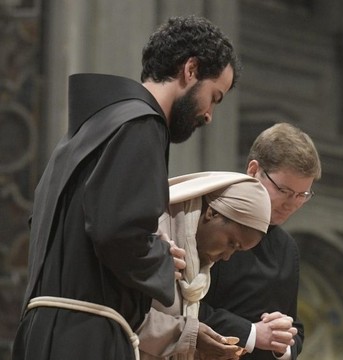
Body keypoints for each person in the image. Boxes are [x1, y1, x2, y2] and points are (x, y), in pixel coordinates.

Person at [12, 15, 241, 360]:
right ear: (190, 70)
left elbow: (92, 227)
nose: (209, 114)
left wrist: (149, 243)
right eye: (215, 96)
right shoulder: (140, 126)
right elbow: (116, 233)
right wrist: (163, 258)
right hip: (86, 339)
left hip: (46, 332)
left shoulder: (94, 126)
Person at [199, 123, 322, 360]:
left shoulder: (286, 248)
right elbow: (185, 310)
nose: (292, 204)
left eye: (302, 195)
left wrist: (283, 341)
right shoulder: (210, 221)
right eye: (284, 190)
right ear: (254, 170)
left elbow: (295, 327)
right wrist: (252, 333)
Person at [137, 171, 272, 360]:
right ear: (212, 213)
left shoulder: (198, 259)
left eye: (237, 251)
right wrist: (188, 335)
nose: (227, 257)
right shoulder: (154, 229)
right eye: (231, 243)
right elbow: (121, 310)